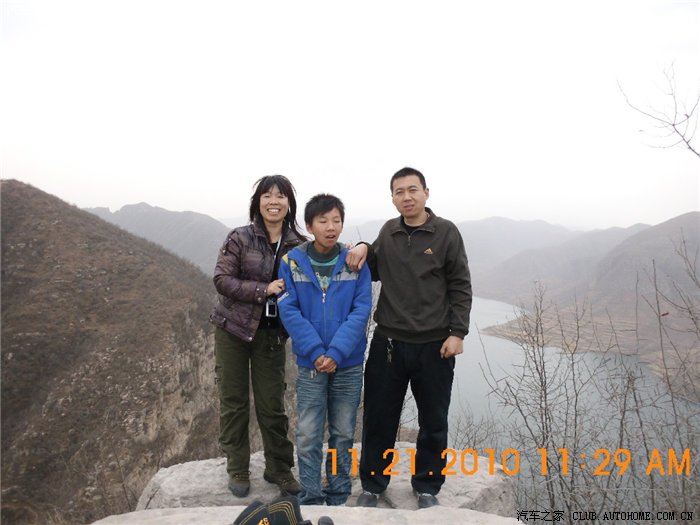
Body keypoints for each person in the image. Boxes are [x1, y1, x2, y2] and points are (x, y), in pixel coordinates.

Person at [346, 167, 472, 509]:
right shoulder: (389, 232)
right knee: (378, 418)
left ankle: (427, 486)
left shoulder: (446, 233)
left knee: (433, 419)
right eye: (399, 191)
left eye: (412, 189)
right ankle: (373, 485)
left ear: (426, 193)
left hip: (435, 345)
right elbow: (371, 265)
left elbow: (460, 285)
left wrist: (458, 332)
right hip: (388, 342)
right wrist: (362, 246)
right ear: (392, 198)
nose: (407, 197)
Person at [209, 175, 306, 497]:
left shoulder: (299, 245)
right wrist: (264, 290)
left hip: (272, 336)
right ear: (258, 202)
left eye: (280, 196)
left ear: (289, 203)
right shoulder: (240, 237)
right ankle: (237, 466)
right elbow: (222, 279)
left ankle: (278, 467)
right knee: (234, 402)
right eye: (267, 195)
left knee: (272, 404)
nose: (273, 201)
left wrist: (354, 249)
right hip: (233, 330)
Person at [278, 194, 372, 505]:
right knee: (308, 434)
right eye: (323, 221)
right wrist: (318, 352)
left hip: (348, 363)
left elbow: (361, 310)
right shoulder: (292, 262)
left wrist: (335, 354)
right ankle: (311, 495)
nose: (331, 227)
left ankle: (339, 494)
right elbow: (289, 310)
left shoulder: (354, 262)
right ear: (309, 226)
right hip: (310, 363)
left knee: (343, 433)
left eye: (336, 220)